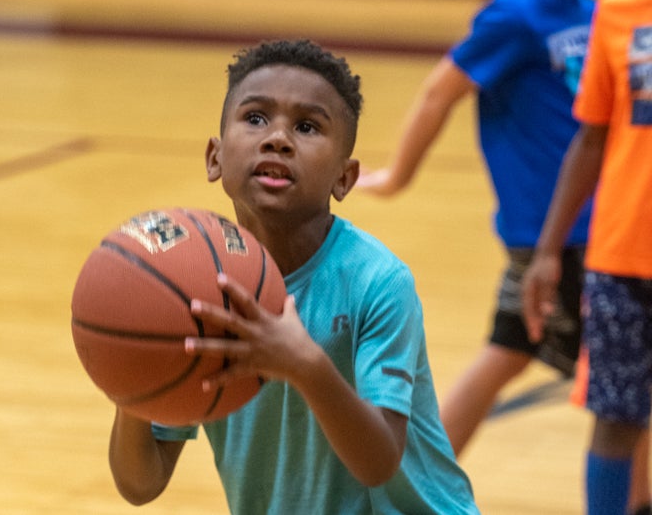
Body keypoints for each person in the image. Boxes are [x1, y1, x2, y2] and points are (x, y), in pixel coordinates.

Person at [108, 39, 479, 514]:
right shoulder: (192, 289)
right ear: (214, 157)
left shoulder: (377, 282)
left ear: (344, 179)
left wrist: (305, 365)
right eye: (256, 118)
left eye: (306, 126)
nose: (277, 139)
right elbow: (142, 483)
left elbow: (380, 461)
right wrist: (128, 388)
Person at [357, 0, 595, 458]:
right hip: (557, 236)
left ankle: (406, 488)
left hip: (587, 223)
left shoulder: (585, 9)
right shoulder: (515, 13)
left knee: (508, 351)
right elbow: (438, 93)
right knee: (621, 389)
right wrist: (396, 177)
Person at [522, 0, 652, 513]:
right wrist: (548, 250)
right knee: (616, 420)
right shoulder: (619, 12)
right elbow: (591, 137)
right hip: (622, 259)